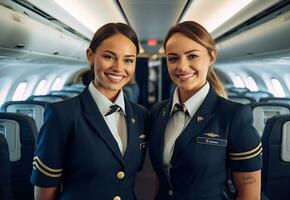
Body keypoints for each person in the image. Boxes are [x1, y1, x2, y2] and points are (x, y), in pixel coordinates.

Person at [31, 23, 148, 200]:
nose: (118, 68)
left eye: (128, 60)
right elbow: (45, 191)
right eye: (109, 57)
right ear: (91, 56)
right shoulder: (62, 115)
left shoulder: (141, 115)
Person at [148, 21, 262, 200]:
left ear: (211, 57)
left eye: (192, 56)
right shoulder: (157, 112)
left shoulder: (234, 116)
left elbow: (250, 195)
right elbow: (160, 177)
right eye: (173, 58)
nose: (182, 66)